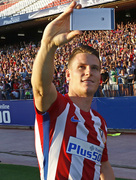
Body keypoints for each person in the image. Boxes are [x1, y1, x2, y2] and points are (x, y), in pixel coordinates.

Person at [31, 2, 114, 180]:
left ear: (100, 76)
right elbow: (40, 89)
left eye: (94, 68)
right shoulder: (57, 107)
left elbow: (104, 166)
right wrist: (48, 44)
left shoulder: (100, 123)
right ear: (68, 75)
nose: (88, 72)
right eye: (81, 67)